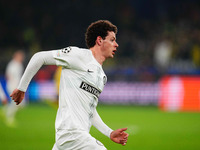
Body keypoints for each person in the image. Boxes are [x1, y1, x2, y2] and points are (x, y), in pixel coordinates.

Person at [10, 20, 129, 150]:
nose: (116, 44)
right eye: (112, 40)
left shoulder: (102, 77)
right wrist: (22, 88)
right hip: (72, 134)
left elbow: (90, 110)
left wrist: (109, 132)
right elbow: (40, 57)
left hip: (73, 138)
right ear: (99, 40)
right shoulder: (78, 55)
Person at [4, 50, 25, 126]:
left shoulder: (19, 65)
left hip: (18, 86)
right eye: (20, 56)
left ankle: (5, 111)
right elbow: (8, 75)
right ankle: (9, 119)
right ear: (16, 56)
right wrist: (13, 85)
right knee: (15, 103)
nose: (22, 58)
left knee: (21, 105)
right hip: (12, 86)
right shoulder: (12, 64)